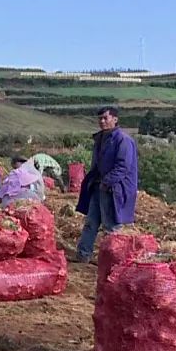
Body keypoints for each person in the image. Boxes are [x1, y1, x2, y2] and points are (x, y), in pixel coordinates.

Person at [76, 106, 139, 263]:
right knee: (91, 222)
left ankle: (113, 260)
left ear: (115, 119)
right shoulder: (100, 138)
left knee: (111, 226)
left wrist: (106, 181)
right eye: (100, 119)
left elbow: (123, 167)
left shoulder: (123, 140)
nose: (102, 121)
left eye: (105, 118)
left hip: (113, 188)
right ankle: (83, 255)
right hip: (98, 186)